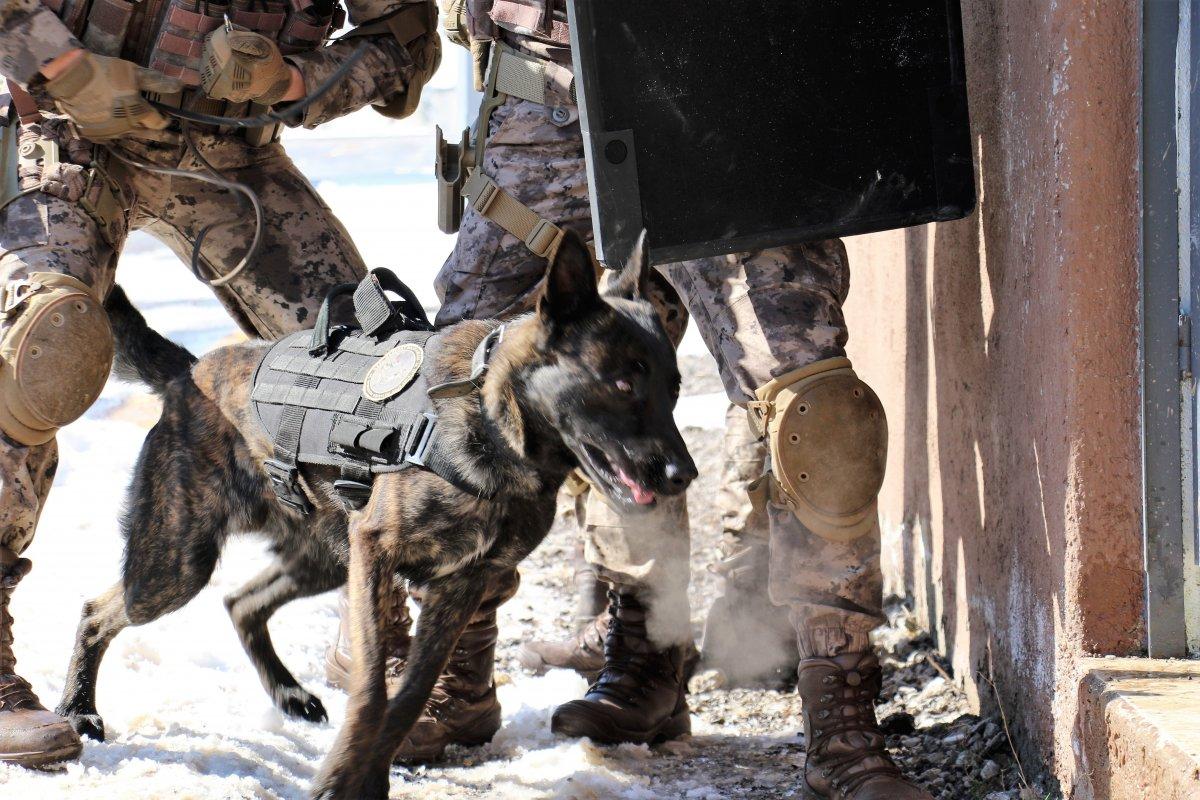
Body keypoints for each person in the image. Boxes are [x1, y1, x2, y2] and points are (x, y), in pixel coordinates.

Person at [328, 2, 935, 797]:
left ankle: (844, 727)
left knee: (817, 418)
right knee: (455, 407)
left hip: (722, 88)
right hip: (541, 97)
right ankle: (487, 676)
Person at [0, 0, 440, 768]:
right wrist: (59, 62)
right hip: (69, 135)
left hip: (228, 152)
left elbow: (403, 37)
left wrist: (294, 79)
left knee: (381, 379)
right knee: (38, 355)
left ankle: (378, 631)